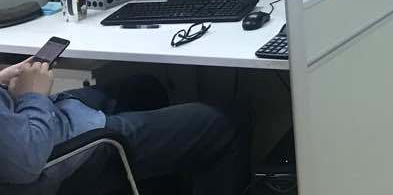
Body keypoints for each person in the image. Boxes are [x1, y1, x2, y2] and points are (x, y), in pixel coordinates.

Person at [0, 57, 248, 194]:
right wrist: (33, 96)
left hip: (30, 119)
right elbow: (24, 164)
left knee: (144, 87)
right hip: (51, 153)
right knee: (222, 122)